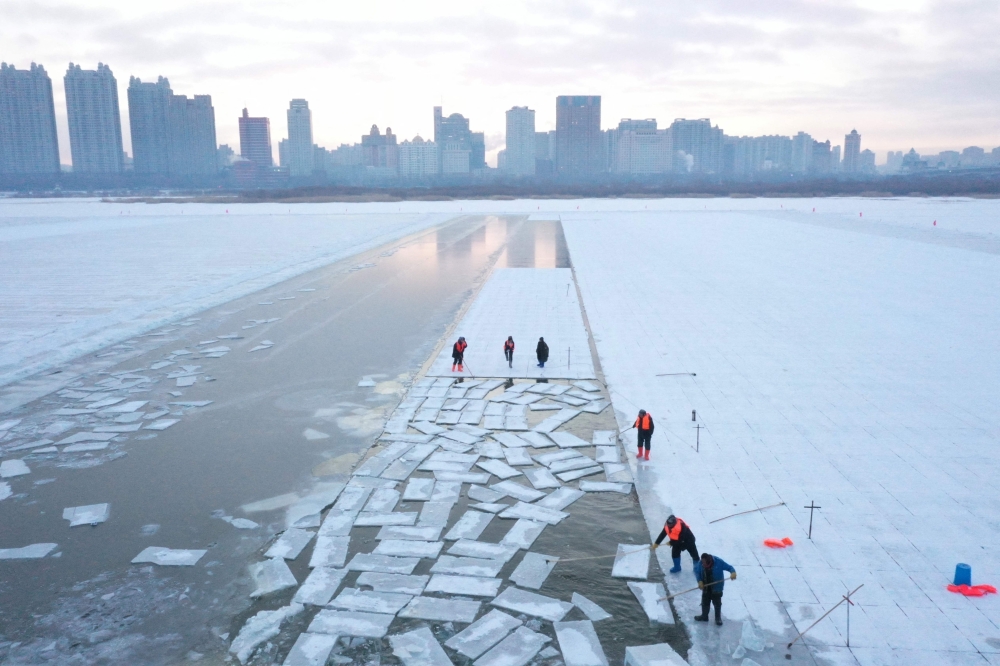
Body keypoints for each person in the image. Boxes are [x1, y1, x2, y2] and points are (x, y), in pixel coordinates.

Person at [693, 553, 736, 626]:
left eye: (704, 563)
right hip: (706, 587)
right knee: (705, 602)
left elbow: (730, 567)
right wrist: (699, 581)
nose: (703, 564)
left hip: (717, 588)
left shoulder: (718, 562)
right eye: (702, 563)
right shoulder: (700, 564)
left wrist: (733, 572)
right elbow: (697, 572)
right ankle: (704, 616)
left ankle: (718, 618)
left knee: (717, 604)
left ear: (709, 561)